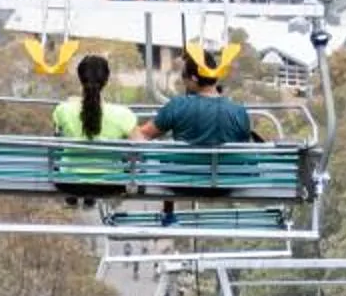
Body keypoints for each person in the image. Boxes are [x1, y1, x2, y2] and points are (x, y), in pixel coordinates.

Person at [50, 52, 134, 194]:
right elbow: (140, 145)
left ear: (80, 78)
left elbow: (57, 139)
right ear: (106, 80)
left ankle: (74, 198)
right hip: (111, 184)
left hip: (69, 183)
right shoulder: (124, 115)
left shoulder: (63, 110)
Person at [137, 54, 255, 146]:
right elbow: (242, 147)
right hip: (226, 176)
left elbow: (143, 135)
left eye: (184, 76)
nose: (183, 81)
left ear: (193, 78)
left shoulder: (178, 106)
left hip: (185, 174)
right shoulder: (239, 112)